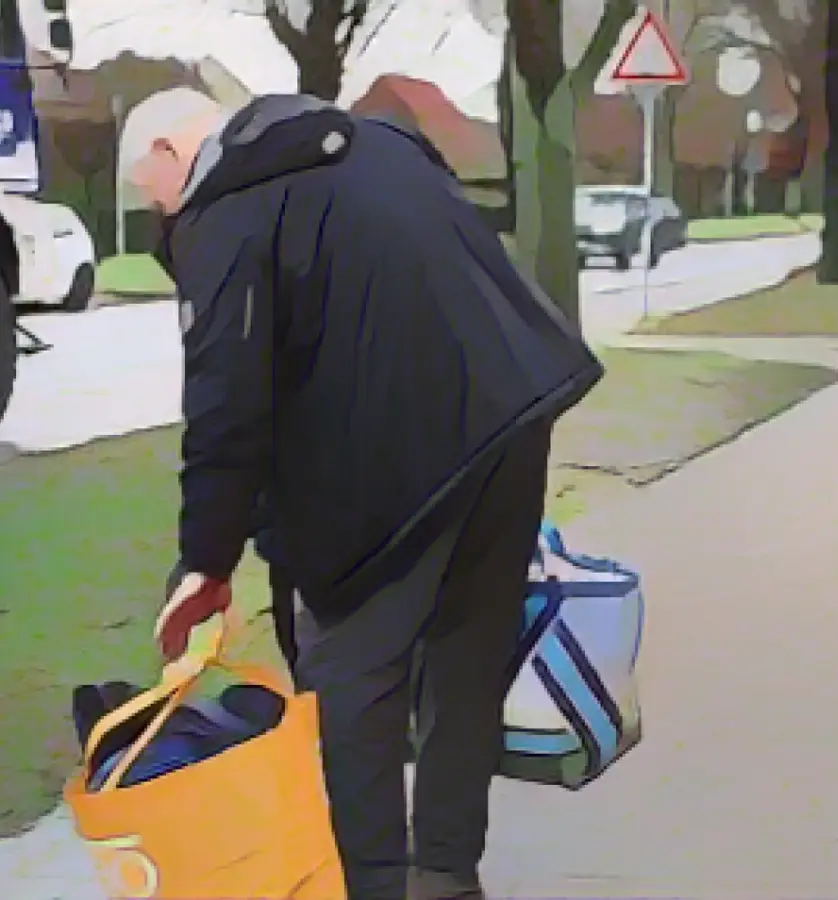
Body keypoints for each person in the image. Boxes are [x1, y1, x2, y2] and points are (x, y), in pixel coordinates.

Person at [124, 88, 604, 900]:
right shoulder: (375, 142)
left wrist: (204, 564)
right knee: (465, 663)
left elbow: (225, 406)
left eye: (151, 197)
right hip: (512, 415)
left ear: (172, 156)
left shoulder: (228, 207)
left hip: (399, 456)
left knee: (352, 677)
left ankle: (374, 884)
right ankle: (449, 872)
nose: (162, 218)